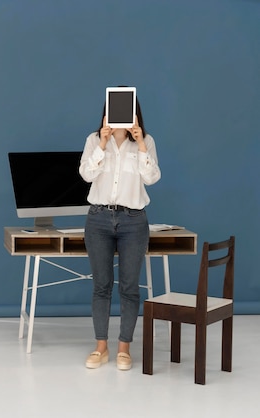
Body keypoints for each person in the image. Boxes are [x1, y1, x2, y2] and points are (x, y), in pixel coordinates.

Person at [78, 97, 161, 371]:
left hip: (133, 221)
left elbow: (151, 178)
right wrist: (102, 143)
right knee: (101, 286)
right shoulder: (93, 139)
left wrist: (139, 145)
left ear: (136, 112)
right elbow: (86, 175)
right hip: (99, 218)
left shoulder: (145, 142)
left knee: (128, 287)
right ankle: (100, 347)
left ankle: (124, 348)